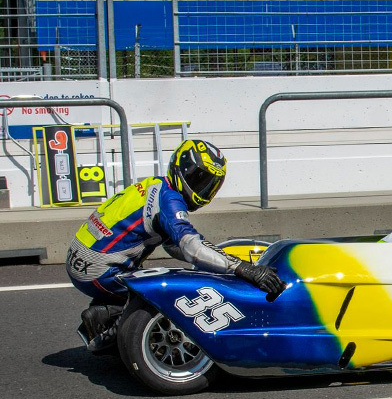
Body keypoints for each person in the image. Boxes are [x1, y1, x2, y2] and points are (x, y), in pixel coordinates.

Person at [66, 139, 285, 348]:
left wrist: (213, 259)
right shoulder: (169, 199)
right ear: (182, 168)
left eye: (210, 184)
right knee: (174, 295)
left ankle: (111, 309)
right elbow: (191, 246)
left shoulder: (157, 186)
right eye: (199, 178)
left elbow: (174, 245)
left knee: (174, 274)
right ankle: (109, 324)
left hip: (84, 258)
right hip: (98, 270)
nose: (203, 189)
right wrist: (243, 268)